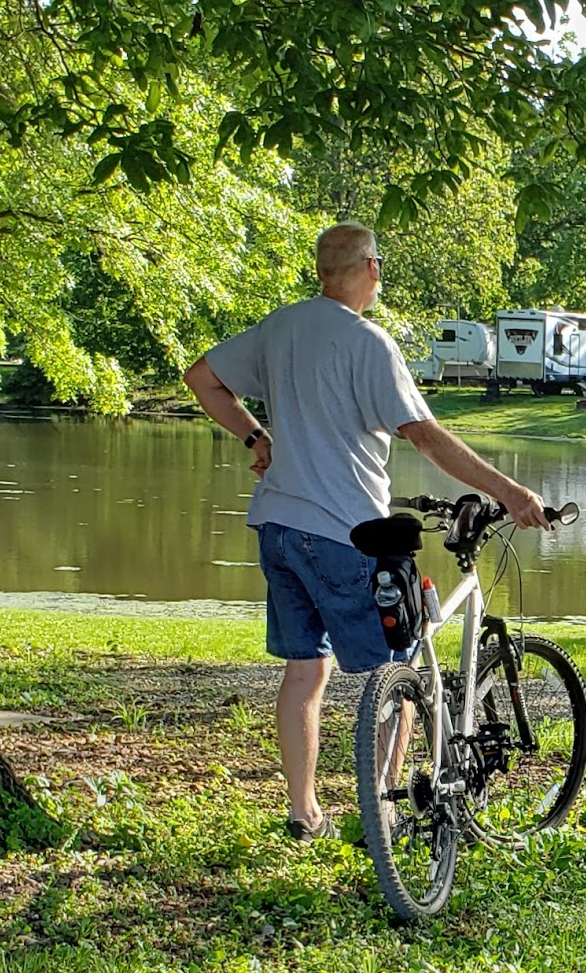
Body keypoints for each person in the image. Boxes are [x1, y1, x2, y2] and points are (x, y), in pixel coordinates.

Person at [183, 221, 548, 841]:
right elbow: (425, 437)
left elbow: (201, 378)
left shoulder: (282, 326)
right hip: (345, 534)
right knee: (397, 674)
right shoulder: (368, 343)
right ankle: (381, 815)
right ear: (372, 269)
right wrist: (508, 491)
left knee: (304, 673)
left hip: (278, 527)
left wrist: (257, 437)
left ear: (323, 270)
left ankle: (304, 813)